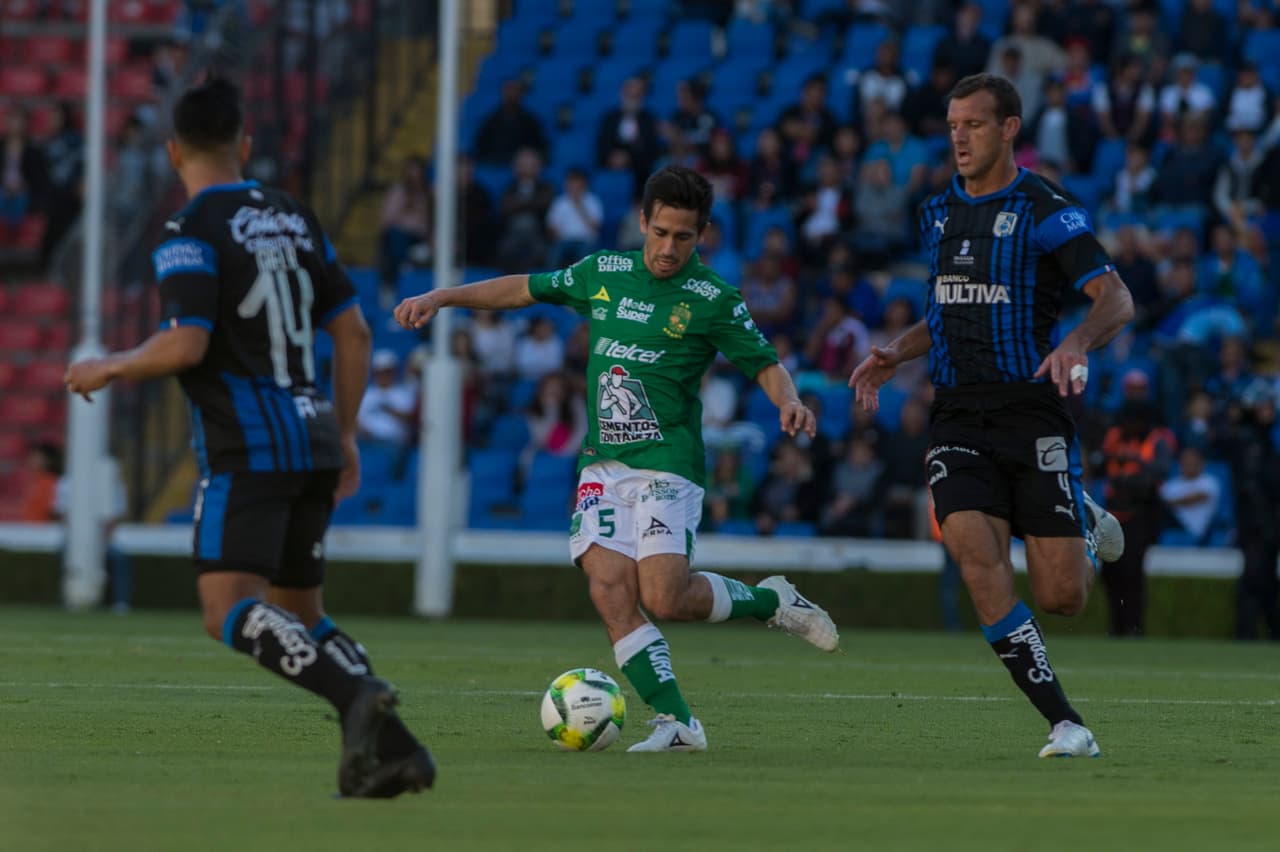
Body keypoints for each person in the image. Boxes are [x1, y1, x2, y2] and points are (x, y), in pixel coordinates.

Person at [63, 77, 434, 797]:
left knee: (225, 606)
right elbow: (354, 332)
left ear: (173, 152)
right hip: (316, 436)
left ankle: (356, 699)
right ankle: (399, 753)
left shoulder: (190, 231)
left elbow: (186, 345)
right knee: (302, 611)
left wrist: (109, 365)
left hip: (249, 441)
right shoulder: (296, 216)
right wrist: (348, 433)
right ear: (246, 144)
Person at [395, 164, 839, 752]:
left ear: (702, 233)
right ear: (642, 222)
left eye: (683, 237)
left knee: (665, 598)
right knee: (608, 588)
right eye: (660, 233)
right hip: (603, 463)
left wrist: (789, 400)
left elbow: (764, 362)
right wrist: (444, 295)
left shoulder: (712, 299)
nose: (668, 248)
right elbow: (525, 287)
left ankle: (771, 600)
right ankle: (679, 723)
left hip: (667, 463)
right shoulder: (603, 272)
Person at [850, 73, 1134, 758]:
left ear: (1009, 129)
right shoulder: (936, 212)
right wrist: (897, 351)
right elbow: (950, 308)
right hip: (956, 418)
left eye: (973, 124)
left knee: (1063, 597)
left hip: (1030, 413)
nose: (959, 137)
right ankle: (1066, 723)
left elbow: (1115, 299)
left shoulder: (1045, 207)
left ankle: (1083, 521)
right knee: (976, 559)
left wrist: (1073, 341)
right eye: (952, 125)